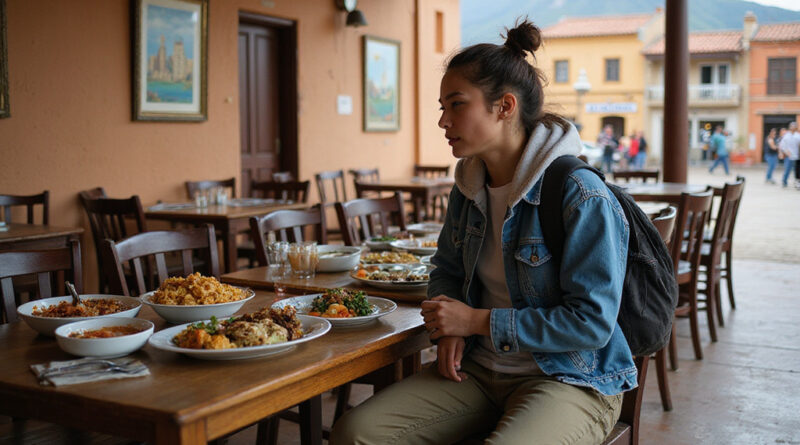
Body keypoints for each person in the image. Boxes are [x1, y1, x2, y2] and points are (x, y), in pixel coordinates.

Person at [331, 20, 635, 445]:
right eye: (442, 106)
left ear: (504, 107)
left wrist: (476, 321)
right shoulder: (469, 185)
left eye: (456, 105)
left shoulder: (580, 195)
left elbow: (591, 323)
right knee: (355, 433)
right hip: (477, 369)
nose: (442, 121)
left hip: (570, 377)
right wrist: (451, 323)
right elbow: (445, 269)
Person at [780, 122, 800, 188]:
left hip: (797, 156)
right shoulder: (786, 136)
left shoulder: (798, 135)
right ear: (790, 127)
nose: (793, 127)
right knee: (787, 169)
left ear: (796, 127)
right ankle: (784, 181)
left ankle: (796, 183)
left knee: (796, 171)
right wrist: (786, 151)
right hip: (788, 156)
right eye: (792, 126)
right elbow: (782, 145)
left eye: (794, 126)